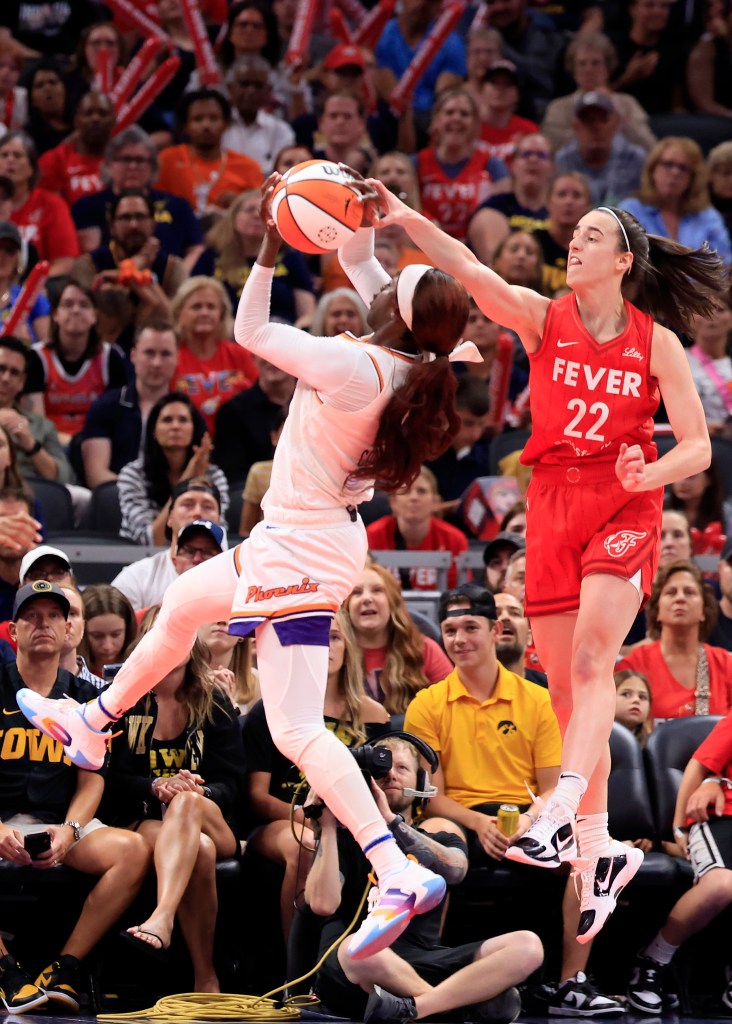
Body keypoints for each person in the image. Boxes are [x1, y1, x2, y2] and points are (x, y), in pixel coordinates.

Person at [18, 174, 478, 962]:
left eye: (381, 291)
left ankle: (394, 867)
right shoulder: (413, 359)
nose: (362, 291)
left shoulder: (353, 366)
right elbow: (369, 264)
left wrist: (271, 236)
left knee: (296, 727)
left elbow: (251, 327)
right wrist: (357, 213)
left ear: (393, 315)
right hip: (308, 537)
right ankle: (90, 725)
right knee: (186, 605)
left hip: (301, 546)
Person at [369, 180, 725, 941]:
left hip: (624, 501)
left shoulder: (654, 339)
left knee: (596, 663)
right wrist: (404, 219)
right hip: (553, 502)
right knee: (565, 689)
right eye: (576, 235)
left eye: (593, 236)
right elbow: (467, 269)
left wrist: (649, 476)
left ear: (623, 260)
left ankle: (562, 808)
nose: (576, 242)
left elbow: (695, 444)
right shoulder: (542, 317)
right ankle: (598, 848)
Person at [404, 585, 621, 1016]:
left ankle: (569, 984)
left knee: (587, 853)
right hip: (459, 817)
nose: (459, 639)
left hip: (522, 815)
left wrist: (530, 820)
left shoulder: (537, 698)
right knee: (432, 840)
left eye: (470, 627)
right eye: (449, 630)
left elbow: (551, 787)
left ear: (495, 629)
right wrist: (479, 823)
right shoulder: (427, 703)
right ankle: (424, 968)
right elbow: (432, 799)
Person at [307, 732, 544, 1024]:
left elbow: (456, 871)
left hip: (423, 960)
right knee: (360, 950)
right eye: (382, 768)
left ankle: (418, 1009)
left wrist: (390, 821)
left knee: (528, 946)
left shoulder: (439, 838)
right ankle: (452, 1008)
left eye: (402, 768)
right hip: (357, 968)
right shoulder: (344, 838)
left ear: (420, 784)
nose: (390, 775)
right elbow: (322, 905)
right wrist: (327, 828)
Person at [0, 581, 151, 1012]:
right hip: (1, 821)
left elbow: (93, 777)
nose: (43, 624)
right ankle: (5, 970)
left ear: (69, 629)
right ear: (13, 631)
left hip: (57, 821)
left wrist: (71, 829)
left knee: (133, 851)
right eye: (31, 616)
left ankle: (65, 967)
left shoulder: (88, 697)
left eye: (53, 616)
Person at [100, 607, 245, 990]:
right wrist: (154, 786)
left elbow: (232, 783)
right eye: (163, 633)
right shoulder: (122, 701)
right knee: (198, 848)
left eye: (180, 632)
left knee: (187, 805)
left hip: (212, 817)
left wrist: (198, 789)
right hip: (143, 819)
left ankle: (161, 917)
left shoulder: (213, 702)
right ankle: (206, 978)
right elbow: (109, 777)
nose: (172, 640)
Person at [244, 609, 388, 940]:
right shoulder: (272, 710)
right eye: (317, 639)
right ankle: (294, 972)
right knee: (307, 846)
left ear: (348, 646)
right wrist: (308, 816)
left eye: (334, 637)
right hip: (284, 822)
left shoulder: (372, 713)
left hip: (350, 822)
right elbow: (256, 797)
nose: (326, 647)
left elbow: (378, 786)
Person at [626, 710, 732, 1013]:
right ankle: (653, 959)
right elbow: (698, 765)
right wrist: (678, 826)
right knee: (722, 884)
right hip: (719, 816)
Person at [71, 126, 204, 271]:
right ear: (108, 165)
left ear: (153, 166)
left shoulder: (177, 205)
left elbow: (196, 248)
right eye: (125, 159)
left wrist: (178, 276)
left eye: (140, 160)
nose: (133, 166)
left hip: (168, 282)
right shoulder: (86, 207)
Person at [617, 560, 732, 721]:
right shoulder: (633, 666)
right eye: (671, 592)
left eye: (689, 592)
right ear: (656, 611)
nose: (680, 598)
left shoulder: (726, 665)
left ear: (704, 611)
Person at [117, 393, 229, 546]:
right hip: (141, 559)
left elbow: (218, 536)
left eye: (183, 420)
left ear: (194, 429)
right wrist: (189, 478)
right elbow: (150, 540)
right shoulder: (132, 474)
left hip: (197, 558)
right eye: (167, 420)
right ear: (153, 431)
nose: (175, 426)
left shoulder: (213, 475)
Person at [26, 279, 127, 446]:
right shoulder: (36, 357)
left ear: (94, 316)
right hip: (51, 447)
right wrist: (73, 444)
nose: (76, 310)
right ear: (55, 315)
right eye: (68, 304)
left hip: (98, 446)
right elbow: (38, 426)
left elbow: (117, 418)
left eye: (84, 305)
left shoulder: (110, 357)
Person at [191, 190, 315, 326]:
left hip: (281, 333)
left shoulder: (291, 256)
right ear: (233, 217)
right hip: (226, 334)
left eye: (265, 212)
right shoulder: (211, 256)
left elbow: (308, 314)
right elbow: (192, 301)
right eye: (250, 210)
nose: (257, 216)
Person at [80, 321, 179, 491]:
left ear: (177, 358)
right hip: (116, 500)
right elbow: (96, 475)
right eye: (149, 353)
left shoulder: (186, 411)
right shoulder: (105, 407)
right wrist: (142, 494)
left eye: (165, 354)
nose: (156, 363)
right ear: (133, 355)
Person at [345, 563, 453, 712]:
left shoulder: (425, 649)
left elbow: (452, 708)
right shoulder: (331, 654)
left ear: (393, 601)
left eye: (377, 590)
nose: (367, 598)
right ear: (346, 606)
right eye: (356, 592)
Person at [111, 479, 224, 611]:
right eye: (188, 504)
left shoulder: (237, 578)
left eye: (208, 507)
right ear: (169, 518)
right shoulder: (136, 578)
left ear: (219, 519)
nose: (198, 512)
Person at [620, 137, 732, 265]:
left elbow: (724, 265)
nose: (675, 173)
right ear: (652, 170)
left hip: (699, 285)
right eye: (668, 164)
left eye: (683, 168)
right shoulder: (631, 210)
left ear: (693, 178)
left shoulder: (707, 216)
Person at [416, 88, 508, 244]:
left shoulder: (492, 166)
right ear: (436, 120)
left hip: (474, 248)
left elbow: (501, 214)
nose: (456, 119)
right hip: (427, 244)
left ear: (475, 124)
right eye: (449, 112)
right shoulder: (417, 162)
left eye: (464, 114)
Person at [541, 32, 656, 153]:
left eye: (595, 63)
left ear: (608, 68)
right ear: (573, 71)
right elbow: (549, 148)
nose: (588, 70)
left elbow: (650, 147)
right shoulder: (559, 107)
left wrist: (618, 115)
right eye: (582, 64)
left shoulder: (627, 103)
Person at [155, 89, 263, 219]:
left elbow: (261, 211)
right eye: (198, 119)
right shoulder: (167, 160)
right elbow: (157, 205)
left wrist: (240, 203)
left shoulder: (248, 166)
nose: (206, 125)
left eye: (213, 118)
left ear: (226, 123)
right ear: (184, 126)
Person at [171, 276, 258, 435]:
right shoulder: (172, 358)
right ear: (179, 313)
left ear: (222, 314)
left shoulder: (240, 355)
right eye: (196, 307)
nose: (204, 312)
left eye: (211, 307)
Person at [366, 465, 468, 590]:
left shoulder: (454, 539)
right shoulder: (373, 535)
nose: (414, 497)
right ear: (393, 502)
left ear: (436, 502)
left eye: (422, 491)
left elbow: (460, 593)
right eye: (406, 491)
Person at [468, 131, 552, 266]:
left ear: (552, 166)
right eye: (526, 154)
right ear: (512, 165)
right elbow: (496, 266)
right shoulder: (493, 208)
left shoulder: (562, 212)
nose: (533, 160)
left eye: (541, 155)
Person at [0, 130, 78, 273]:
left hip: (37, 286)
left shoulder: (52, 205)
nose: (10, 160)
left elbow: (65, 262)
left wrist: (31, 290)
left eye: (17, 156)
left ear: (31, 168)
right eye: (4, 155)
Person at [213, 354, 295, 491]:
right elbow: (233, 480)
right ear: (253, 357)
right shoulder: (232, 412)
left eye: (278, 349)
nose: (271, 358)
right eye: (264, 350)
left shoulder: (318, 402)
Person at [0, 335, 73, 487]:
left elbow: (65, 479)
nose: (6, 378)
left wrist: (30, 444)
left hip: (29, 495)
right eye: (1, 369)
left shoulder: (42, 426)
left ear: (22, 383)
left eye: (14, 373)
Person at [554, 93, 647, 208]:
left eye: (603, 119)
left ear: (616, 124)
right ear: (576, 127)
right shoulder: (564, 160)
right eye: (588, 120)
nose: (596, 127)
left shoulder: (634, 158)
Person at [37, 92, 114, 207]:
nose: (95, 119)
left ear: (114, 120)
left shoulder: (128, 160)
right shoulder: (54, 160)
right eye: (88, 113)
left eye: (102, 114)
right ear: (77, 120)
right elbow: (51, 209)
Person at [223, 56, 295, 177]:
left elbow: (283, 175)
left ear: (269, 91)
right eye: (244, 84)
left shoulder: (281, 131)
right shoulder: (217, 127)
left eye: (258, 85)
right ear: (230, 88)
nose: (251, 90)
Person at [685, 289, 732, 439]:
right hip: (697, 444)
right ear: (688, 318)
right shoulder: (677, 360)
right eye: (702, 309)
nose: (711, 316)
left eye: (720, 309)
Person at [77, 584, 137, 682]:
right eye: (97, 636)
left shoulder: (143, 668)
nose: (107, 646)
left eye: (116, 634)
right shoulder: (70, 673)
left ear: (128, 629)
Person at [0, 221, 48, 342]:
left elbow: (45, 350)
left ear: (18, 258)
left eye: (9, 250)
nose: (2, 255)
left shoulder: (32, 298)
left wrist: (25, 345)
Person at [614, 669, 653, 745]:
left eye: (642, 697)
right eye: (626, 694)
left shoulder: (653, 745)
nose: (636, 700)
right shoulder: (592, 738)